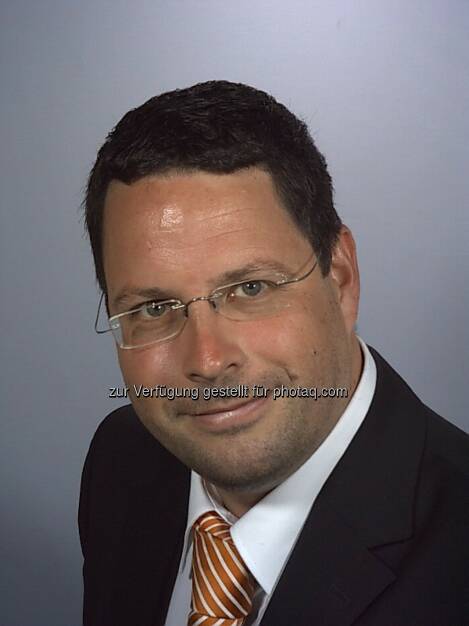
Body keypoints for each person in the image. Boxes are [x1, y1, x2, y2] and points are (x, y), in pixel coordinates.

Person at [79, 80, 469, 626]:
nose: (208, 361)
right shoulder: (123, 461)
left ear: (340, 278)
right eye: (154, 307)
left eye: (251, 288)